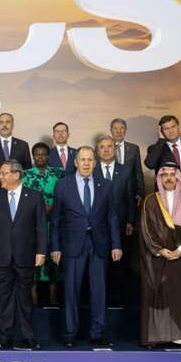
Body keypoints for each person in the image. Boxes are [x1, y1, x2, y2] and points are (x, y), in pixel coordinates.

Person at [50, 147, 122, 348]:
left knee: (99, 291)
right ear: (75, 162)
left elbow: (112, 217)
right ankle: (70, 333)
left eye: (90, 160)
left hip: (99, 244)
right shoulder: (63, 185)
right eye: (82, 160)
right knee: (71, 291)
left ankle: (97, 333)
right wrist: (55, 247)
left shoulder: (105, 185)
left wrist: (116, 245)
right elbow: (55, 219)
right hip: (72, 245)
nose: (86, 163)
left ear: (95, 163)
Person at [139, 162, 181, 348]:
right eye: (165, 175)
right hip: (159, 257)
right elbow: (146, 229)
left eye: (172, 174)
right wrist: (160, 250)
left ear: (178, 178)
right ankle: (159, 336)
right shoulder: (150, 200)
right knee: (158, 293)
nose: (169, 178)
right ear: (160, 178)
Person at [0, 160, 47, 350]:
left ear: (16, 175)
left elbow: (41, 227)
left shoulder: (35, 196)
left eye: (4, 173)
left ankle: (28, 337)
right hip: (1, 256)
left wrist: (41, 251)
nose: (0, 177)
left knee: (25, 298)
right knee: (4, 299)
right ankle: (6, 337)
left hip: (26, 255)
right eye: (0, 173)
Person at [94, 135, 136, 306]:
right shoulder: (91, 169)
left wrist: (131, 221)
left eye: (109, 146)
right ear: (97, 151)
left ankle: (118, 299)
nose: (106, 150)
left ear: (115, 149)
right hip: (96, 225)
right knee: (99, 263)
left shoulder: (125, 170)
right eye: (102, 147)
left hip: (120, 223)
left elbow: (130, 197)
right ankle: (99, 298)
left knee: (119, 262)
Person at [23, 143, 65, 305]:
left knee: (54, 255)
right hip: (32, 223)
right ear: (33, 156)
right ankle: (33, 290)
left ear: (48, 156)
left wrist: (53, 207)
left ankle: (53, 292)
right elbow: (22, 198)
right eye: (37, 154)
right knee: (33, 255)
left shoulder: (58, 173)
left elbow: (65, 194)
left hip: (54, 222)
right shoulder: (26, 175)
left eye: (43, 154)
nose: (40, 157)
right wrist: (39, 209)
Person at [109, 118, 144, 206]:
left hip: (131, 194)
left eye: (122, 128)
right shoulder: (104, 148)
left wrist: (141, 192)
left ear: (125, 130)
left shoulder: (134, 148)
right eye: (115, 128)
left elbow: (138, 172)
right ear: (111, 130)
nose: (119, 131)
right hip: (110, 193)